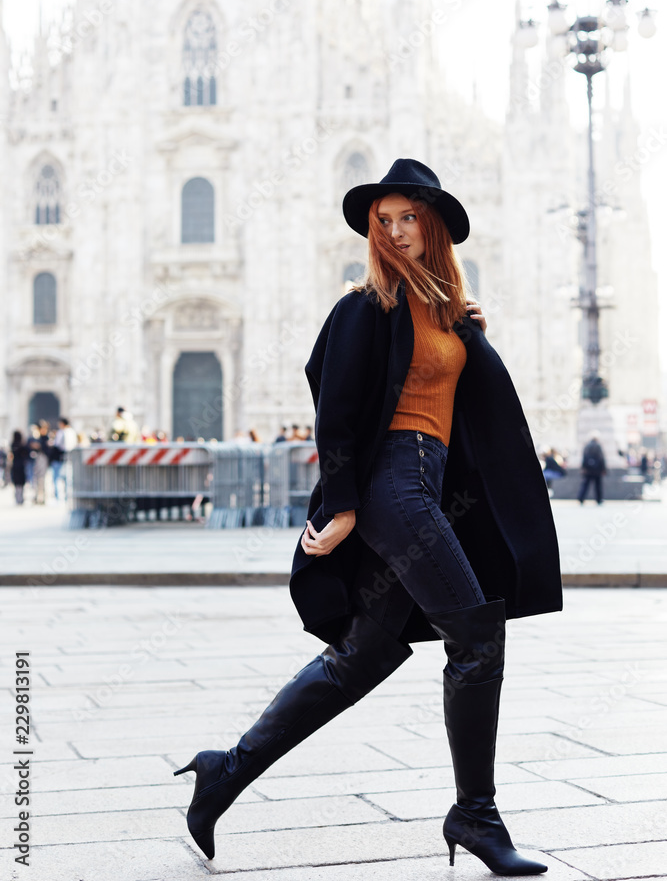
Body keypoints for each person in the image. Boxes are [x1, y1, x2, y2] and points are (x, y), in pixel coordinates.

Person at [174, 158, 562, 873]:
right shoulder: (365, 306)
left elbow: (466, 410)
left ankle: (223, 773)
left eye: (406, 217)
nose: (394, 231)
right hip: (393, 486)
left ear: (434, 223)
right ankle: (475, 814)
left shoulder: (446, 312)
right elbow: (336, 412)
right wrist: (345, 503)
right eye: (383, 222)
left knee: (363, 655)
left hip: (427, 482)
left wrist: (471, 333)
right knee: (475, 635)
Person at [578, 431, 606, 505]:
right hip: (597, 470)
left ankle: (581, 498)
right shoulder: (598, 446)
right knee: (598, 485)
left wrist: (583, 468)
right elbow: (601, 458)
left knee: (585, 484)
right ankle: (599, 499)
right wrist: (603, 469)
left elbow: (584, 457)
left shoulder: (586, 446)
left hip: (588, 469)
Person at [10, 431, 29, 505]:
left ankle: (18, 497)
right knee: (21, 482)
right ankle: (20, 497)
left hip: (15, 465)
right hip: (21, 465)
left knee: (17, 482)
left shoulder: (13, 444)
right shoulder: (22, 445)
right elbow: (27, 453)